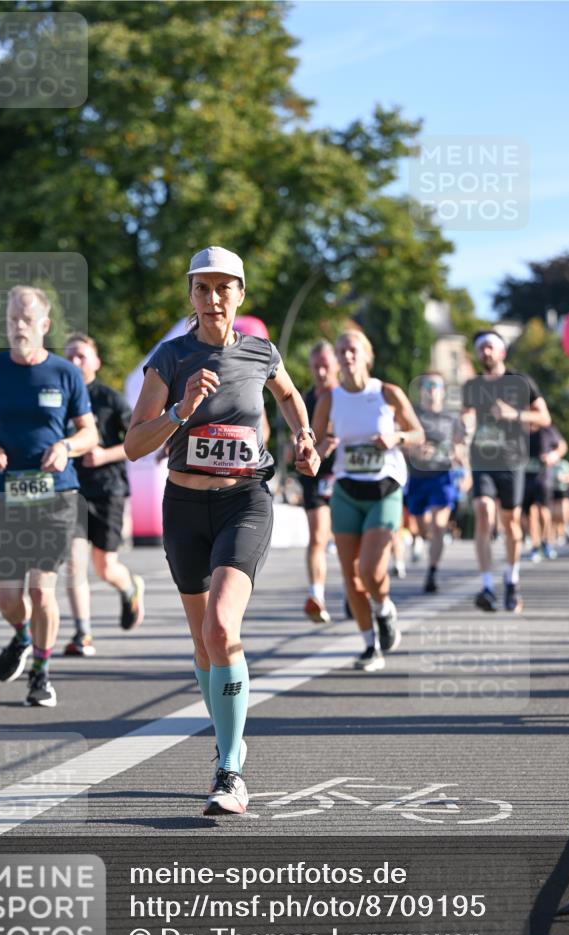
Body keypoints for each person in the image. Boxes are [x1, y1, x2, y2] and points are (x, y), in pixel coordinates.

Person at [124, 246, 319, 816]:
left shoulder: (262, 351)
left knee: (220, 625)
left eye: (224, 287)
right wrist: (182, 410)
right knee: (203, 643)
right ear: (191, 295)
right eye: (202, 288)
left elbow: (287, 394)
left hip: (245, 502)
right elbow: (136, 445)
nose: (213, 298)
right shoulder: (171, 357)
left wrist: (303, 435)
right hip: (185, 506)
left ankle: (229, 767)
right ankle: (228, 739)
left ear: (240, 293)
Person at [0, 285, 97, 706]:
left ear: (45, 324)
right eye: (10, 320)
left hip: (56, 496)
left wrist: (66, 448)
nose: (17, 327)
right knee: (7, 596)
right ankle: (22, 635)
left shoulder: (65, 372)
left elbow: (89, 431)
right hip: (9, 496)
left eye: (25, 320)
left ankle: (41, 672)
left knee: (42, 591)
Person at [312, 328, 424, 672]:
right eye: (342, 350)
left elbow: (419, 435)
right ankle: (369, 645)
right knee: (351, 577)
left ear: (366, 355)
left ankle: (385, 608)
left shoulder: (387, 393)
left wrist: (397, 436)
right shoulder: (330, 399)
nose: (347, 356)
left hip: (384, 488)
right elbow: (312, 446)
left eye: (353, 350)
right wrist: (322, 447)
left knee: (371, 568)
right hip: (346, 489)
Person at [62, 334, 145, 657]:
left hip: (108, 489)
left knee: (104, 566)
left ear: (96, 361)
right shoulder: (60, 396)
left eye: (81, 356)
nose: (74, 362)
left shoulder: (110, 399)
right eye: (69, 356)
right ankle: (83, 633)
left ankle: (129, 587)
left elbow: (136, 442)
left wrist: (104, 455)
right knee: (73, 564)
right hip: (70, 490)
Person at [462, 330, 550, 613]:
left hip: (512, 460)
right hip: (482, 459)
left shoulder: (520, 382)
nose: (485, 353)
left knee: (511, 523)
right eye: (481, 348)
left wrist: (515, 414)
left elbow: (544, 417)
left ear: (502, 352)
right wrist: (463, 425)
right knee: (484, 513)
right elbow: (466, 415)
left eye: (490, 347)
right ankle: (487, 586)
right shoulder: (472, 386)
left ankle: (511, 580)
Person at [405, 371, 465, 593]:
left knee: (439, 526)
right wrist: (415, 449)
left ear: (443, 392)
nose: (431, 390)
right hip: (418, 477)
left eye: (436, 386)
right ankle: (419, 539)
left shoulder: (451, 419)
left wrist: (458, 458)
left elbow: (460, 446)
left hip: (443, 477)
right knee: (421, 528)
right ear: (421, 391)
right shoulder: (413, 415)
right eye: (428, 385)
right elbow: (401, 443)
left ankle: (432, 572)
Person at [299, 339, 339, 623]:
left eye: (325, 366)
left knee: (353, 542)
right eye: (316, 368)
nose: (321, 373)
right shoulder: (305, 400)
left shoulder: (348, 395)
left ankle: (357, 591)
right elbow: (297, 433)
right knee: (317, 537)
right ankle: (317, 595)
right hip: (316, 475)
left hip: (347, 473)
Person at [522, 422, 567, 562]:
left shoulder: (547, 429)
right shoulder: (518, 427)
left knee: (543, 511)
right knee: (529, 514)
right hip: (524, 478)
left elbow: (562, 446)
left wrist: (553, 456)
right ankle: (535, 546)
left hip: (542, 478)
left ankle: (546, 541)